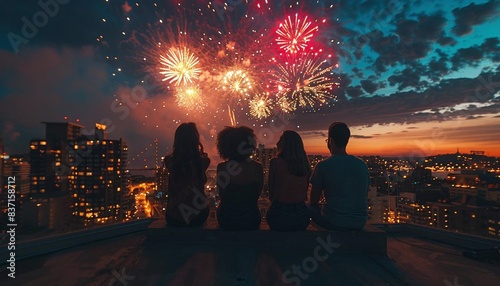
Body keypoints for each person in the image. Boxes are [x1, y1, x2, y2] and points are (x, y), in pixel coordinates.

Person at [309, 122, 370, 231]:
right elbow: (363, 194)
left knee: (307, 207)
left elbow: (313, 200)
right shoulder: (361, 164)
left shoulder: (323, 165)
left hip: (334, 221)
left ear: (330, 141)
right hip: (359, 222)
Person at [216, 126, 263, 230]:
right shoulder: (257, 167)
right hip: (251, 218)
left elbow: (221, 194)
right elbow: (257, 193)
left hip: (227, 219)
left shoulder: (222, 167)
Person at [164, 122, 210, 227]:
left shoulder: (169, 161)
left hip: (173, 217)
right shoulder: (203, 161)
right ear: (196, 140)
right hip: (197, 216)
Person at [266, 131, 311, 231]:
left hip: (279, 213)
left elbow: (271, 194)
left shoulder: (275, 162)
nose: (277, 143)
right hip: (301, 215)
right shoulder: (305, 165)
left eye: (280, 140)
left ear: (285, 144)